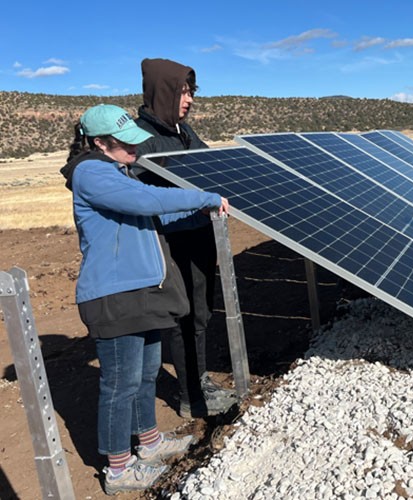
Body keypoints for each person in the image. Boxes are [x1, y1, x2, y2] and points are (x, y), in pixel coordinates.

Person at [60, 104, 229, 494]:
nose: (135, 151)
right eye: (126, 145)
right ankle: (118, 469)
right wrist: (202, 197)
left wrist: (201, 217)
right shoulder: (91, 173)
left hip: (142, 290)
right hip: (113, 295)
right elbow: (147, 202)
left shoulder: (115, 171)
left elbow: (151, 218)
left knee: (146, 372)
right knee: (120, 383)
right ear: (99, 143)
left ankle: (149, 442)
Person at [134, 58, 237, 418]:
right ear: (164, 92)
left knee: (201, 312)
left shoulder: (183, 133)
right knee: (182, 316)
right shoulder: (142, 139)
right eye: (182, 91)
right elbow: (141, 193)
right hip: (171, 241)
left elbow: (213, 166)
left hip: (200, 236)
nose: (190, 99)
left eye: (192, 91)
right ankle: (189, 395)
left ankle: (200, 378)